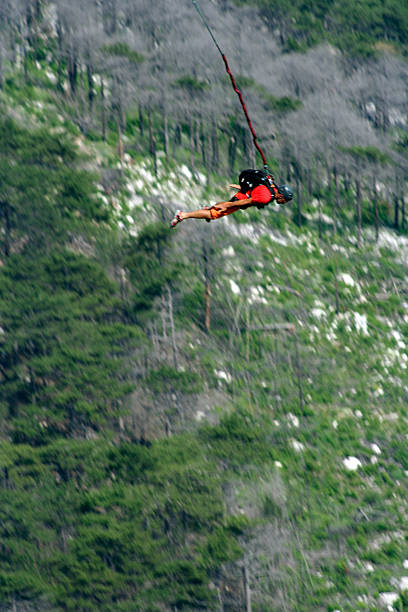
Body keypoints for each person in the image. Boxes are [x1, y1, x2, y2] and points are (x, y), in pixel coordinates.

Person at [170, 168, 293, 228]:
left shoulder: (273, 187)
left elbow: (258, 188)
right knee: (214, 214)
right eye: (285, 200)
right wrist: (225, 205)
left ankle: (208, 210)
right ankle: (182, 215)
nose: (283, 203)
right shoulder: (266, 197)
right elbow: (243, 202)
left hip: (247, 192)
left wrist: (242, 187)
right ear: (281, 195)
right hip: (243, 197)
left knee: (216, 210)